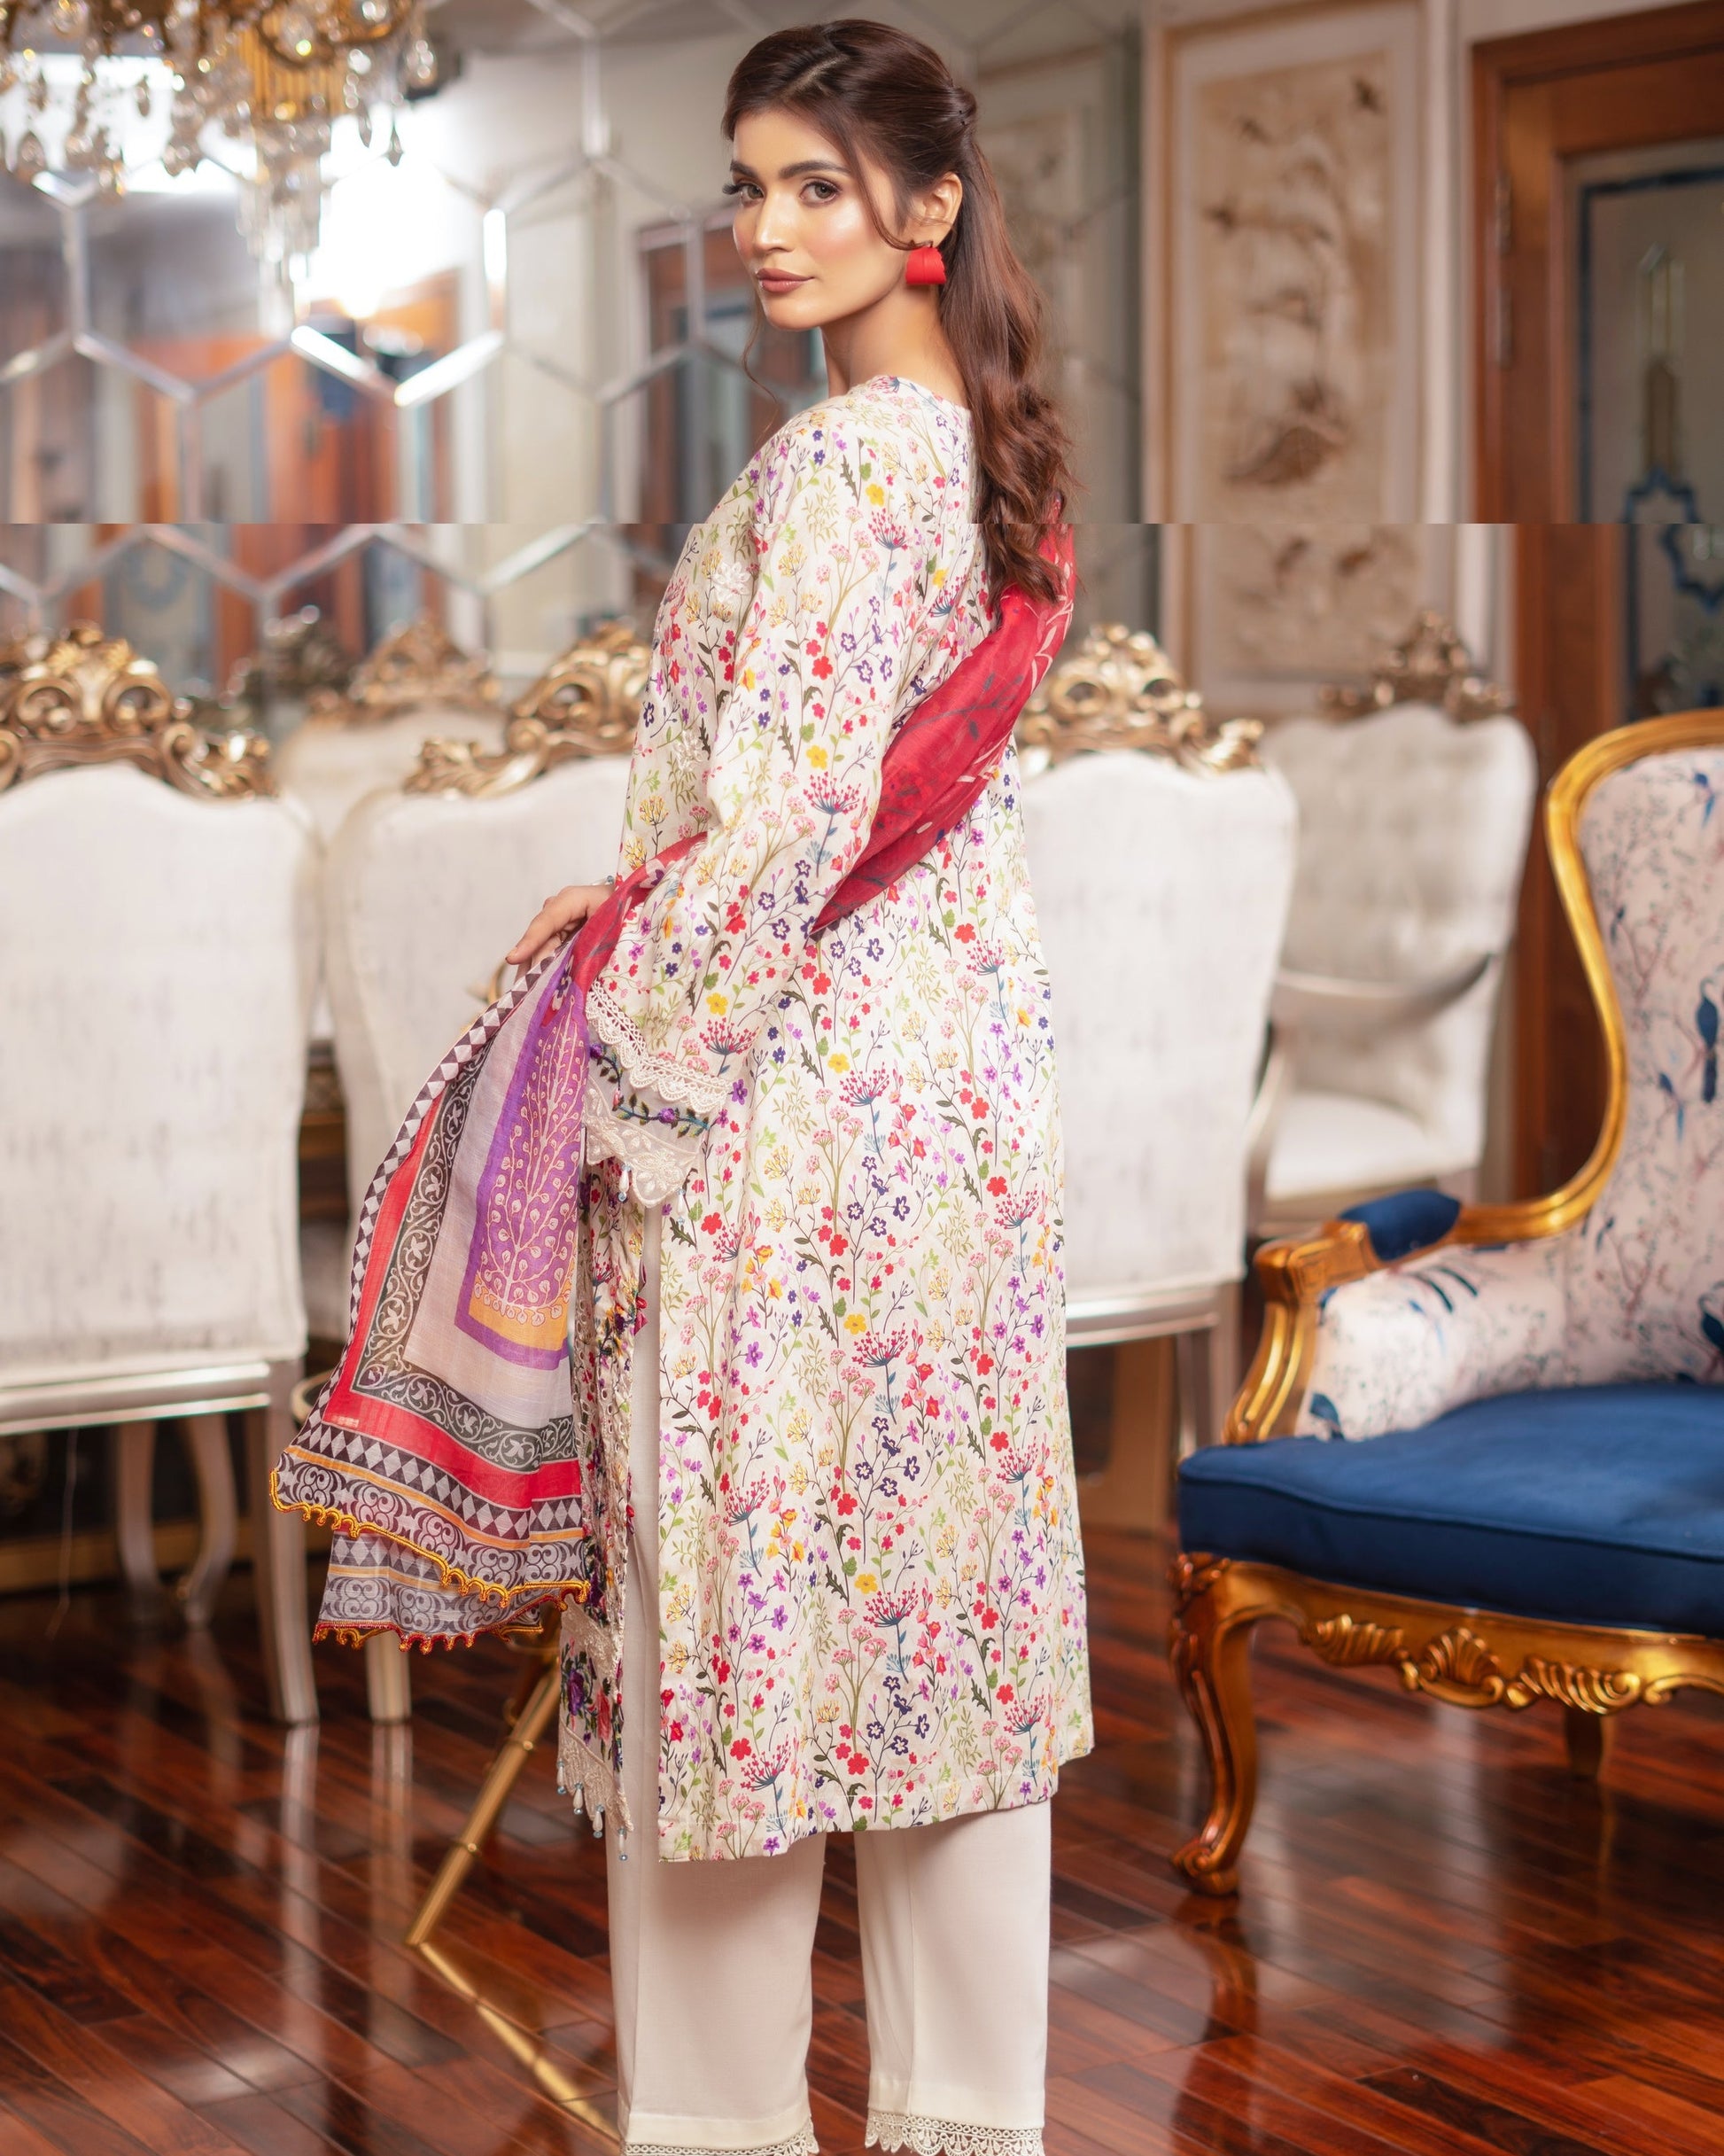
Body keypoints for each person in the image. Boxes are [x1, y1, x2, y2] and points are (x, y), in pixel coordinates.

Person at [281, 18, 1090, 2156]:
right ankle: (966, 2118)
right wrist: (644, 885)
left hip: (784, 1118)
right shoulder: (974, 450)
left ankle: (718, 2128)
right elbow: (841, 810)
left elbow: (793, 814)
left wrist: (627, 1040)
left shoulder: (836, 467)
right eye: (748, 185)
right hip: (956, 1109)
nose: (766, 227)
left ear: (928, 208)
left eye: (817, 184)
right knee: (939, 1621)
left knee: (740, 1617)